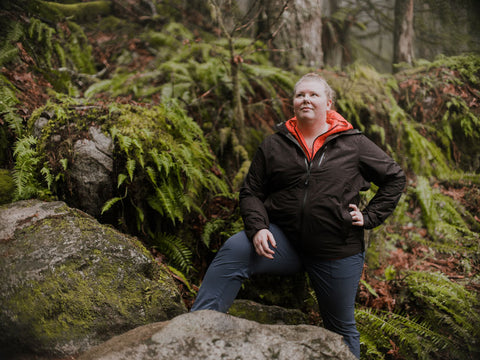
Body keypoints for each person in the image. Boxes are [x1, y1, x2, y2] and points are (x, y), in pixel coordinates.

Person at [191, 73, 406, 358]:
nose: (306, 99)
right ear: (293, 103)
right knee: (234, 250)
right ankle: (192, 332)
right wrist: (257, 228)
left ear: (328, 103)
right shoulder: (274, 145)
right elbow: (251, 192)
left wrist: (370, 217)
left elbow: (395, 178)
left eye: (313, 95)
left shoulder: (353, 144)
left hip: (335, 251)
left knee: (340, 329)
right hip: (284, 244)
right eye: (300, 95)